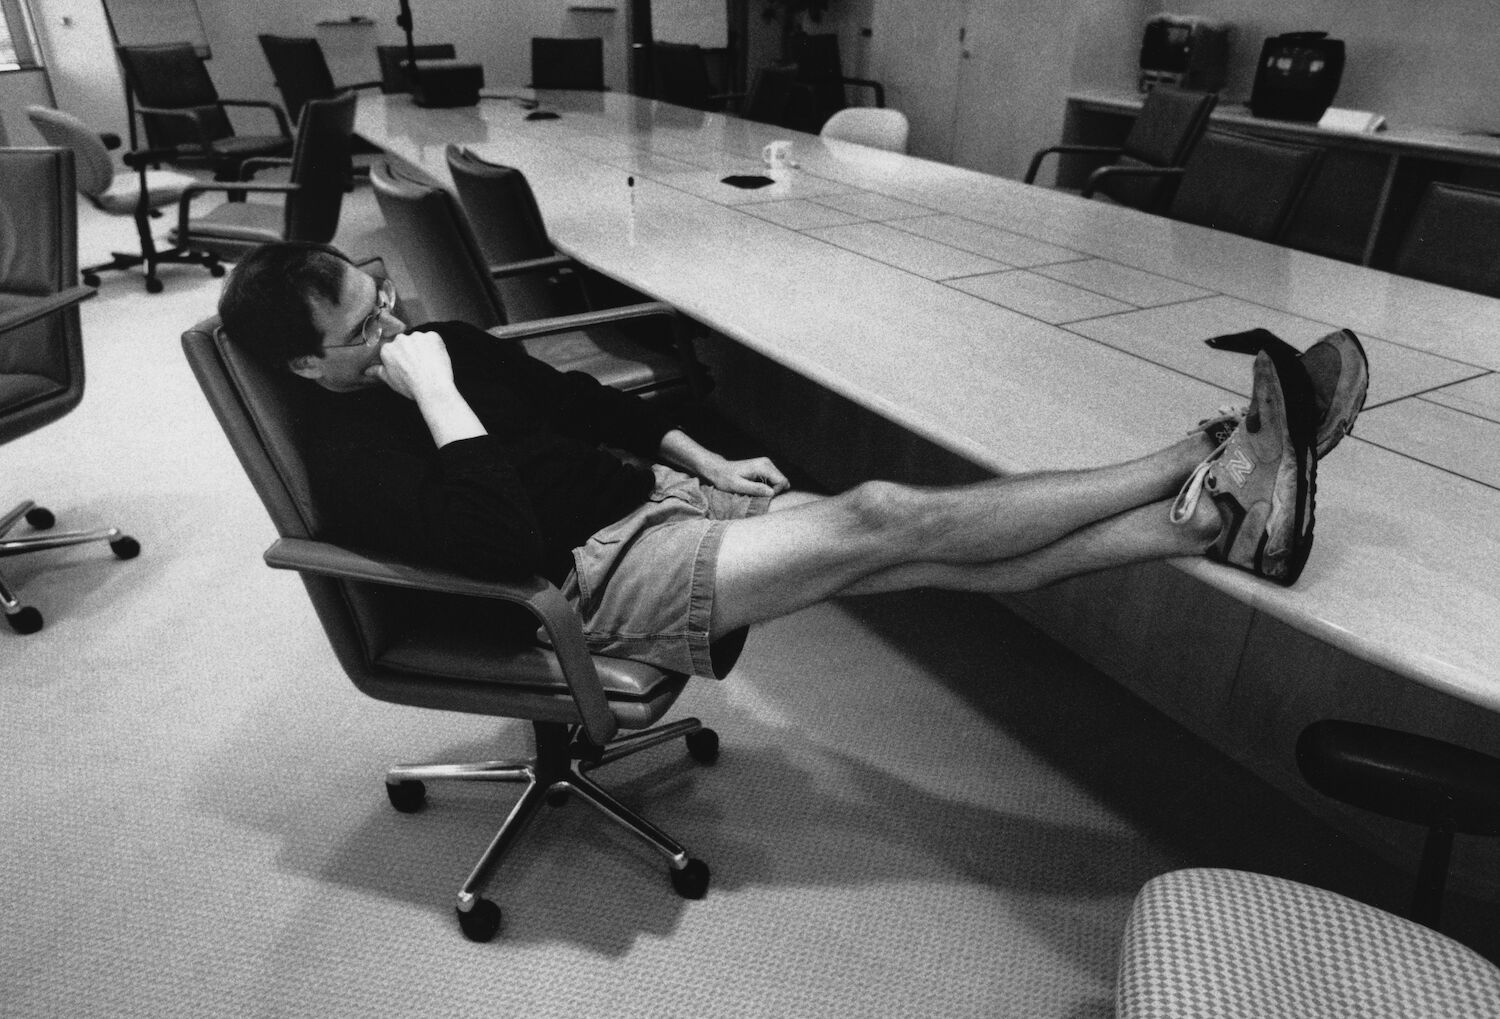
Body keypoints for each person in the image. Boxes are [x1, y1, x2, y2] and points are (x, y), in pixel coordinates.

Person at [217, 241, 1367, 679]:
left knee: (922, 561)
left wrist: (707, 453)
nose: (398, 328)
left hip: (658, 500)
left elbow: (574, 401)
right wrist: (436, 402)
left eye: (384, 296)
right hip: (590, 575)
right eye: (365, 330)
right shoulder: (354, 446)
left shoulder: (438, 345)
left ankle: (1210, 522)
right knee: (883, 516)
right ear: (310, 370)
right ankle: (1206, 449)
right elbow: (502, 542)